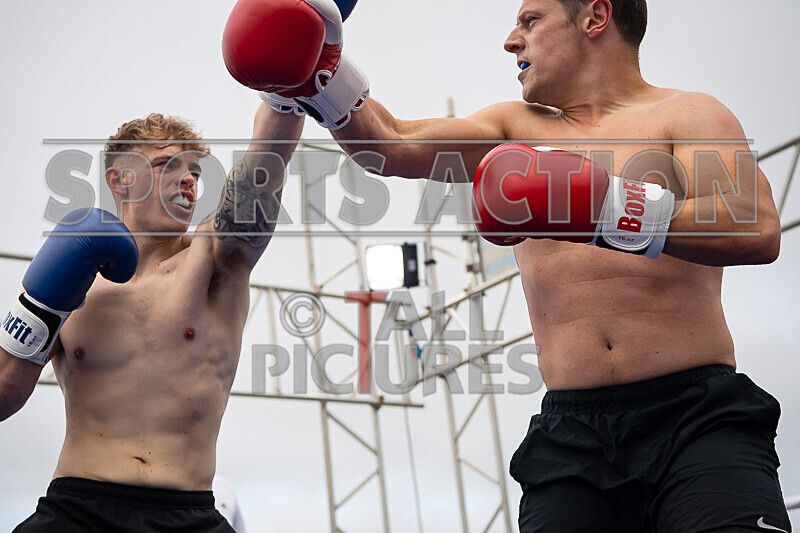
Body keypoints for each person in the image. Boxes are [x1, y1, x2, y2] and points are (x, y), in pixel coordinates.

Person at [228, 0, 791, 530]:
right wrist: (319, 73)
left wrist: (601, 206)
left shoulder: (687, 113)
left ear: (595, 15)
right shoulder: (514, 129)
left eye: (530, 19)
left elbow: (755, 226)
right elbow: (390, 145)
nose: (509, 40)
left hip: (698, 418)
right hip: (572, 435)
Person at [0, 103, 303, 530]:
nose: (189, 181)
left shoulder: (216, 259)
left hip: (188, 513)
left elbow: (266, 161)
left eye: (195, 172)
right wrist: (39, 302)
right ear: (118, 179)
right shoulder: (71, 279)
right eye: (166, 165)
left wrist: (289, 89)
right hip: (76, 510)